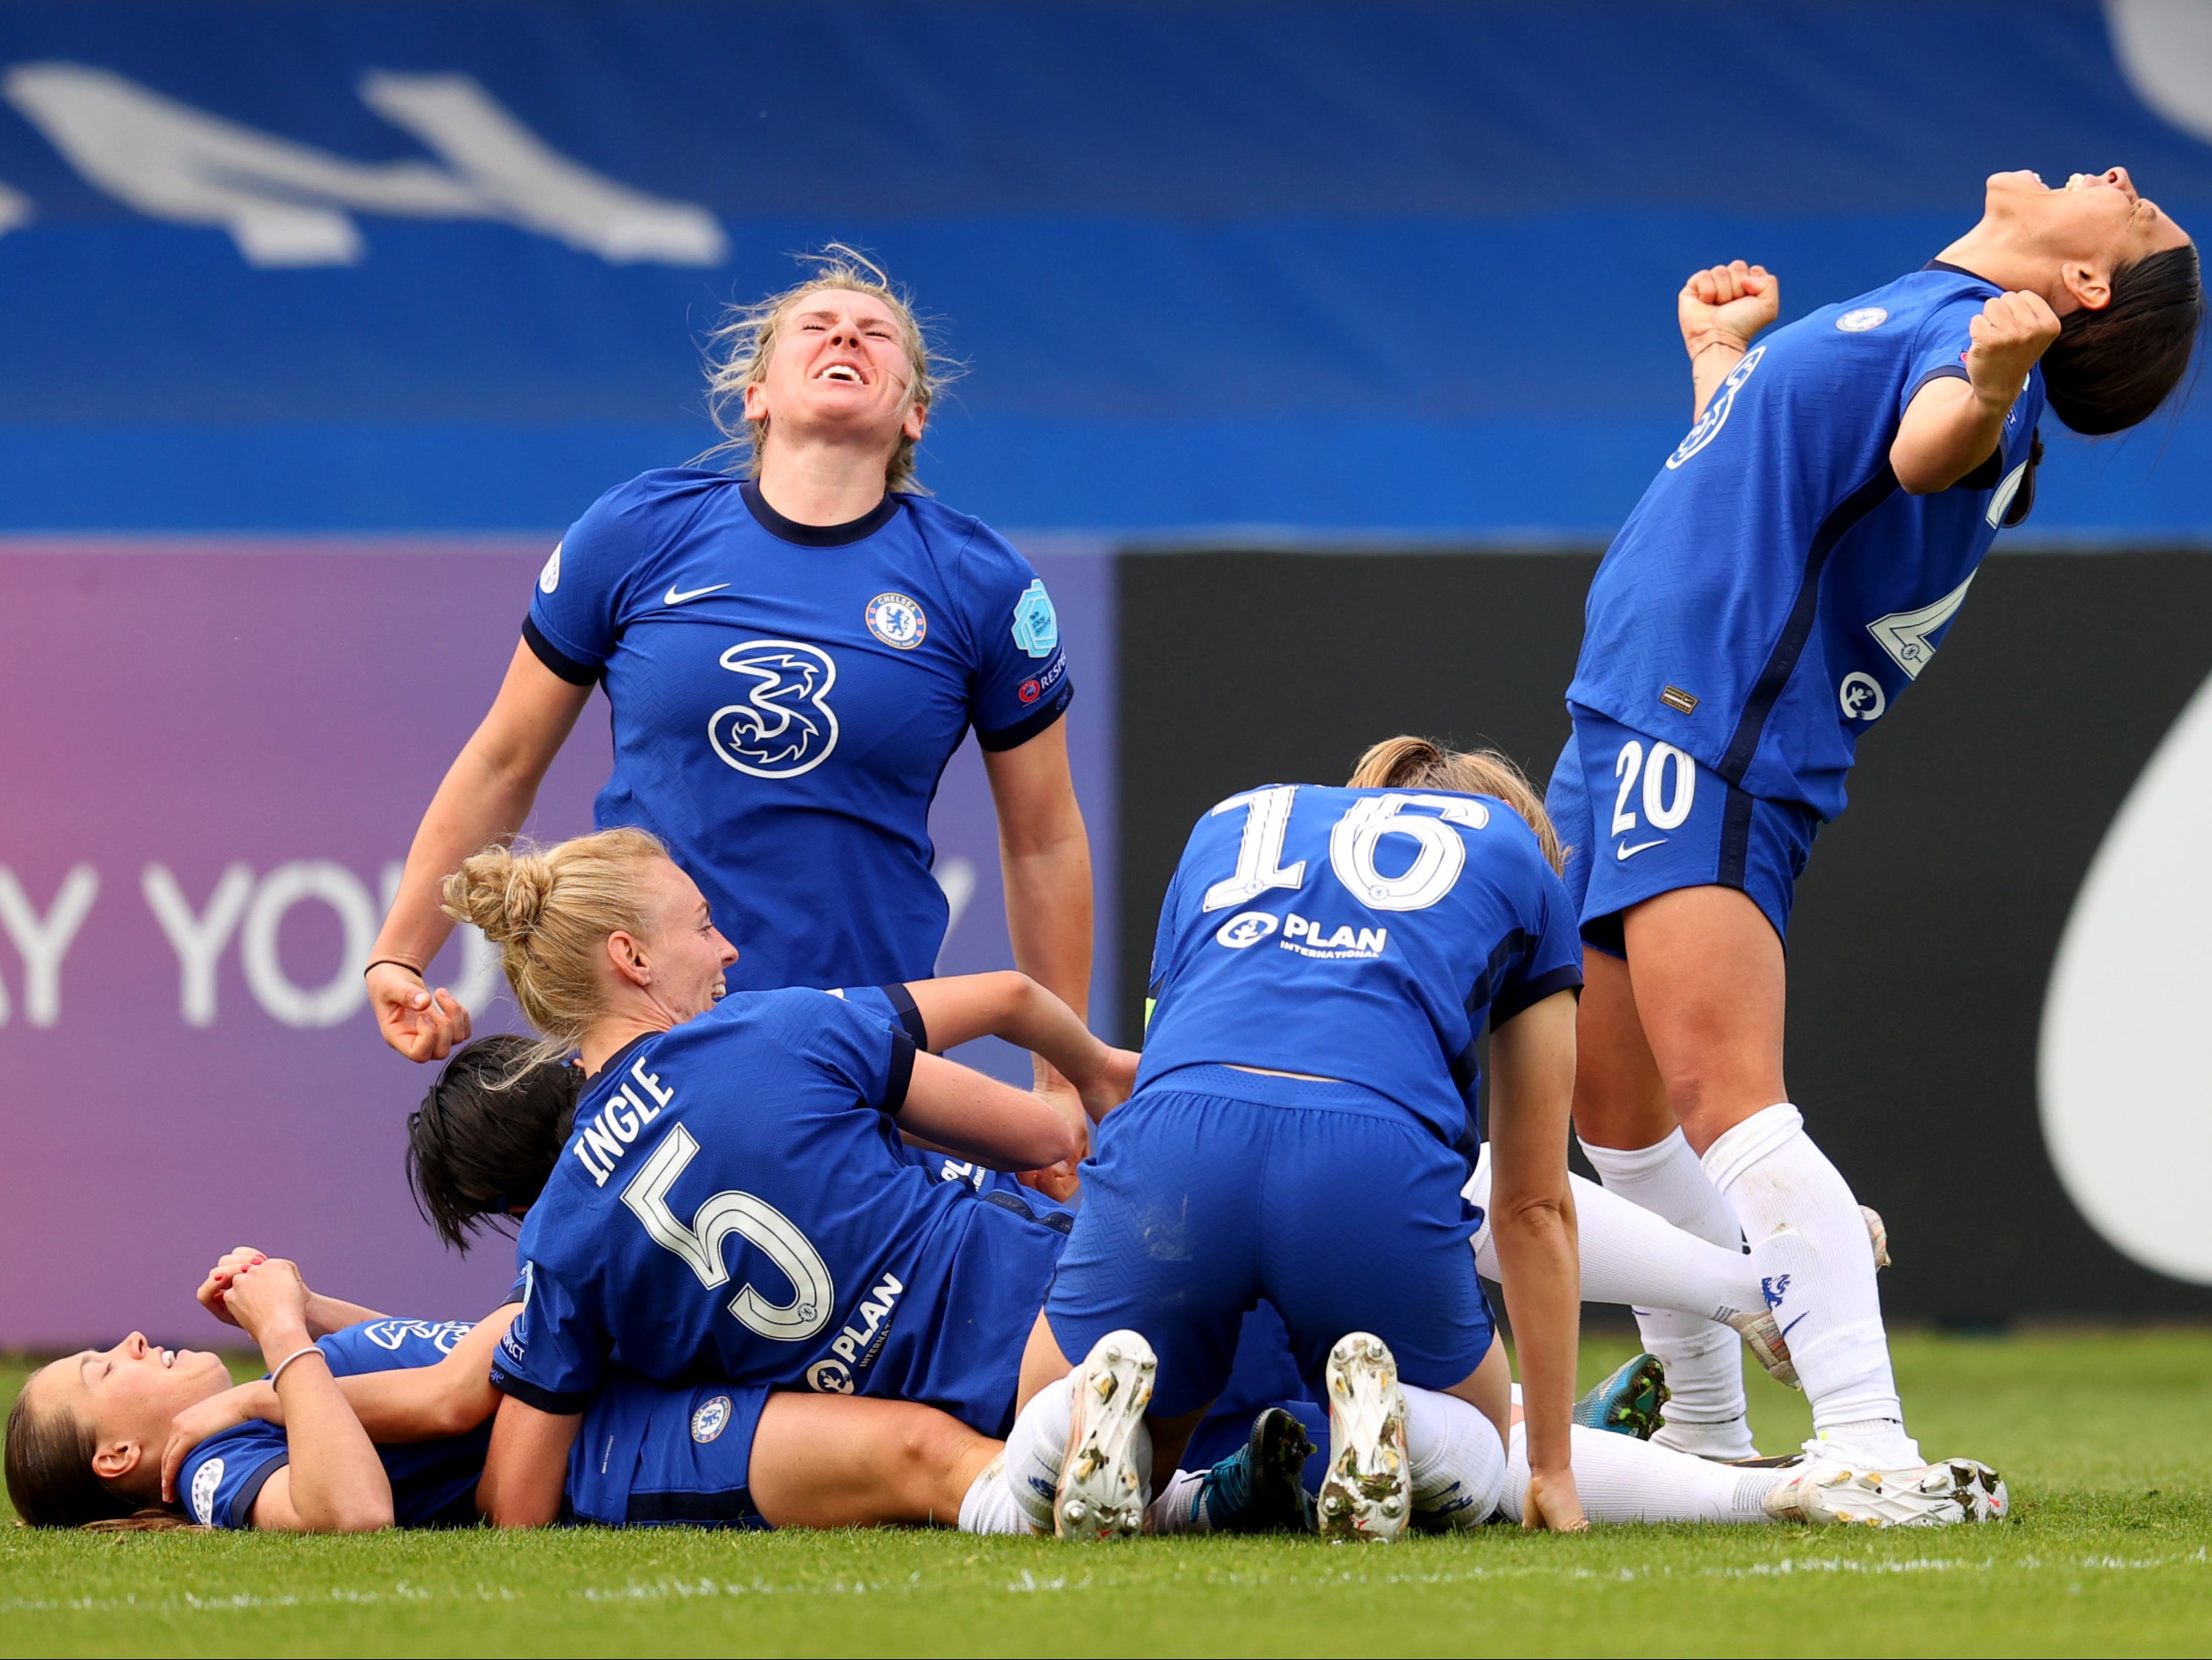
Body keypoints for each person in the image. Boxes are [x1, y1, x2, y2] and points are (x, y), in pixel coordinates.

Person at [1550, 167, 2200, 1466]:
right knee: (1616, 1119)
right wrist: (1717, 360)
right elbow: (1763, 477)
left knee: (1723, 1101)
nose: (2118, 179)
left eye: (2131, 218)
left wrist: (2003, 378)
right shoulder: (1924, 308)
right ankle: (1704, 1422)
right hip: (1628, 714)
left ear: (2078, 290)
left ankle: (1866, 1440)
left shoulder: (1970, 351)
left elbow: (1925, 453)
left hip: (1707, 724)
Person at [364, 246, 1094, 1134]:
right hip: (643, 1038)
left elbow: (1044, 839)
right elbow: (503, 757)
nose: (846, 338)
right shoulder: (637, 532)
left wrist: (1060, 1081)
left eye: (875, 335)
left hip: (862, 1045)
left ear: (915, 414)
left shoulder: (980, 581)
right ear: (755, 395)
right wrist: (397, 955)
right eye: (816, 328)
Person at [1007, 737, 1590, 1544]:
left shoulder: (1231, 815)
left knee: (1046, 1419)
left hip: (1176, 1144)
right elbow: (1531, 1202)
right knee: (1481, 1436)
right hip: (1365, 1160)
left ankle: (1095, 1418)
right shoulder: (1519, 860)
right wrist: (1553, 1471)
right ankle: (1394, 1419)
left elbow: (1166, 1062)